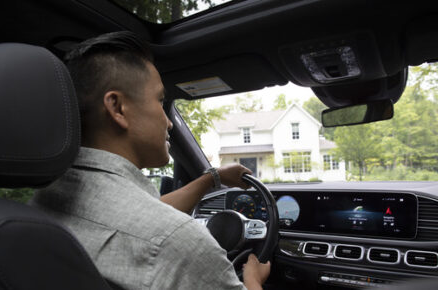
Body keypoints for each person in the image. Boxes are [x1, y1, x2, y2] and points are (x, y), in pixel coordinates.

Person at [30, 31, 270, 290]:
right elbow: (160, 230)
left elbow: (140, 215)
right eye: (160, 100)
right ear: (118, 108)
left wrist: (212, 178)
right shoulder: (182, 245)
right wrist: (253, 279)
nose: (168, 122)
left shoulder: (39, 205)